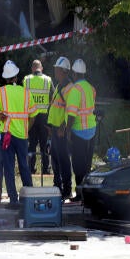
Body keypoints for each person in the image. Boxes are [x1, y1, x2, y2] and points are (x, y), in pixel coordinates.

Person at [0, 59, 31, 205]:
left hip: (7, 135)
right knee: (24, 166)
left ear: (5, 78)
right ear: (16, 77)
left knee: (9, 168)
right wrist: (27, 127)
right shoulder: (25, 92)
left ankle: (13, 200)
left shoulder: (1, 92)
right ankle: (29, 198)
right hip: (22, 135)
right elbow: (34, 114)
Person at [66, 58, 97, 192]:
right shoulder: (91, 88)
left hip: (79, 131)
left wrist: (68, 132)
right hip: (92, 130)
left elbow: (72, 114)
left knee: (78, 165)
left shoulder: (75, 90)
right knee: (87, 164)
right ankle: (86, 191)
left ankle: (79, 192)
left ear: (74, 73)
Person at [47, 56, 74, 200]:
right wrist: (50, 126)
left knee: (63, 160)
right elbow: (55, 107)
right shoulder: (59, 86)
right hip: (55, 129)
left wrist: (63, 127)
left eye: (57, 69)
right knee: (55, 160)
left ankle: (67, 189)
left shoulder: (69, 88)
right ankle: (57, 186)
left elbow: (70, 110)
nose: (55, 72)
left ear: (64, 71)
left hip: (61, 131)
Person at [23, 58, 52, 175]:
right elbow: (53, 97)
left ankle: (31, 168)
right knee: (44, 144)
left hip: (31, 117)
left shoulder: (26, 80)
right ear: (42, 68)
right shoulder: (48, 80)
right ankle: (46, 169)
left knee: (32, 144)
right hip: (44, 117)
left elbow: (23, 96)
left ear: (32, 69)